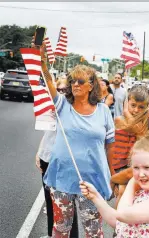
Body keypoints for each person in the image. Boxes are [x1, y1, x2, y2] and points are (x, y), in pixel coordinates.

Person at [34, 39, 115, 237]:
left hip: (92, 181)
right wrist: (42, 61)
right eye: (72, 81)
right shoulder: (62, 105)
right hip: (62, 179)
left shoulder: (104, 111)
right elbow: (48, 82)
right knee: (60, 228)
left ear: (91, 86)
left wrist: (112, 177)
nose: (75, 84)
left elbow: (110, 146)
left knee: (93, 231)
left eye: (80, 81)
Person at [80, 129, 149, 238]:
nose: (141, 174)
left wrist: (131, 182)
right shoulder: (141, 193)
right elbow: (119, 222)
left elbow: (122, 215)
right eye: (136, 168)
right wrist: (95, 197)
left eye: (147, 167)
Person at [35, 78, 79, 238]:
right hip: (48, 158)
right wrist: (40, 152)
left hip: (65, 163)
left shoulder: (72, 110)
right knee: (50, 202)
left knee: (66, 206)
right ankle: (50, 234)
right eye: (57, 90)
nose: (60, 93)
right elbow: (48, 133)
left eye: (63, 90)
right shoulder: (51, 109)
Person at [111, 85, 149, 207]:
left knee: (132, 194)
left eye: (141, 107)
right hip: (119, 165)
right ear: (127, 102)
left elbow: (139, 131)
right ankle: (118, 222)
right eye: (133, 105)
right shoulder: (119, 119)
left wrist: (127, 111)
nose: (136, 110)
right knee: (122, 192)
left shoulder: (145, 123)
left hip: (133, 165)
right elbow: (135, 129)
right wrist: (126, 113)